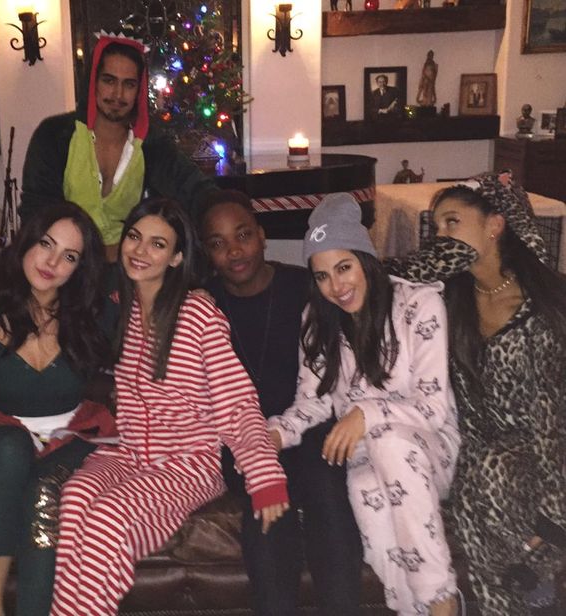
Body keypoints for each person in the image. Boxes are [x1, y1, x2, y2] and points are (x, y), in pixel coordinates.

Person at [49, 198, 289, 616]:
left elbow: (237, 401)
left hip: (187, 464)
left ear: (177, 257)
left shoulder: (197, 312)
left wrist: (265, 476)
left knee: (108, 517)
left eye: (158, 245)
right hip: (129, 452)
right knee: (74, 497)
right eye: (135, 237)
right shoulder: (123, 306)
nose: (140, 251)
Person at [268, 193, 462, 616]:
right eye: (321, 276)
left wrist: (367, 413)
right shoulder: (317, 320)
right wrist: (276, 432)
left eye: (344, 267)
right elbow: (313, 402)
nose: (336, 287)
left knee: (391, 444)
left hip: (429, 450)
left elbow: (433, 408)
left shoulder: (419, 304)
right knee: (361, 485)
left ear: (364, 258)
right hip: (366, 459)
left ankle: (443, 602)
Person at [388, 172, 566, 615]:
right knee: (474, 484)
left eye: (453, 223)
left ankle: (537, 573)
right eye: (436, 228)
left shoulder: (541, 306)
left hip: (543, 456)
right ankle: (509, 596)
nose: (442, 237)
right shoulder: (446, 298)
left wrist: (554, 513)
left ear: (494, 225)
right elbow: (387, 278)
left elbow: (552, 417)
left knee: (490, 471)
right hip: (478, 454)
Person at [200, 190, 363, 616]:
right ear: (207, 253)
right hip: (240, 439)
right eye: (218, 243)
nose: (234, 250)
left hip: (307, 424)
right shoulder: (201, 305)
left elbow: (339, 366)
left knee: (327, 484)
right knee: (268, 509)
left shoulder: (305, 287)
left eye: (243, 235)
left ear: (262, 235)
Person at [0, 202, 115, 616]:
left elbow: (156, 309)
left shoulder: (96, 314)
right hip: (5, 433)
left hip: (76, 435)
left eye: (70, 256)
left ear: (80, 267)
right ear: (26, 241)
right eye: (46, 244)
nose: (52, 262)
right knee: (10, 448)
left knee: (43, 491)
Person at [20, 34, 217, 262]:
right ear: (93, 82)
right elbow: (37, 213)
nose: (117, 94)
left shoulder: (150, 143)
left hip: (128, 270)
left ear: (139, 91)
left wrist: (222, 212)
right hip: (64, 268)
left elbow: (194, 190)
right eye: (109, 81)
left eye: (129, 84)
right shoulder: (55, 135)